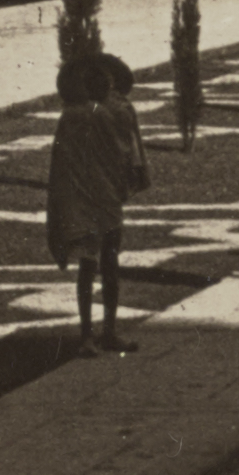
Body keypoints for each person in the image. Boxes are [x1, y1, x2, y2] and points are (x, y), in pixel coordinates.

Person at [44, 48, 150, 354]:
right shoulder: (99, 114)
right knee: (105, 265)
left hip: (89, 199)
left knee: (92, 268)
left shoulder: (72, 115)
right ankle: (101, 333)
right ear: (95, 87)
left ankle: (95, 335)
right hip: (95, 199)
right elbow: (125, 149)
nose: (111, 89)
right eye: (105, 84)